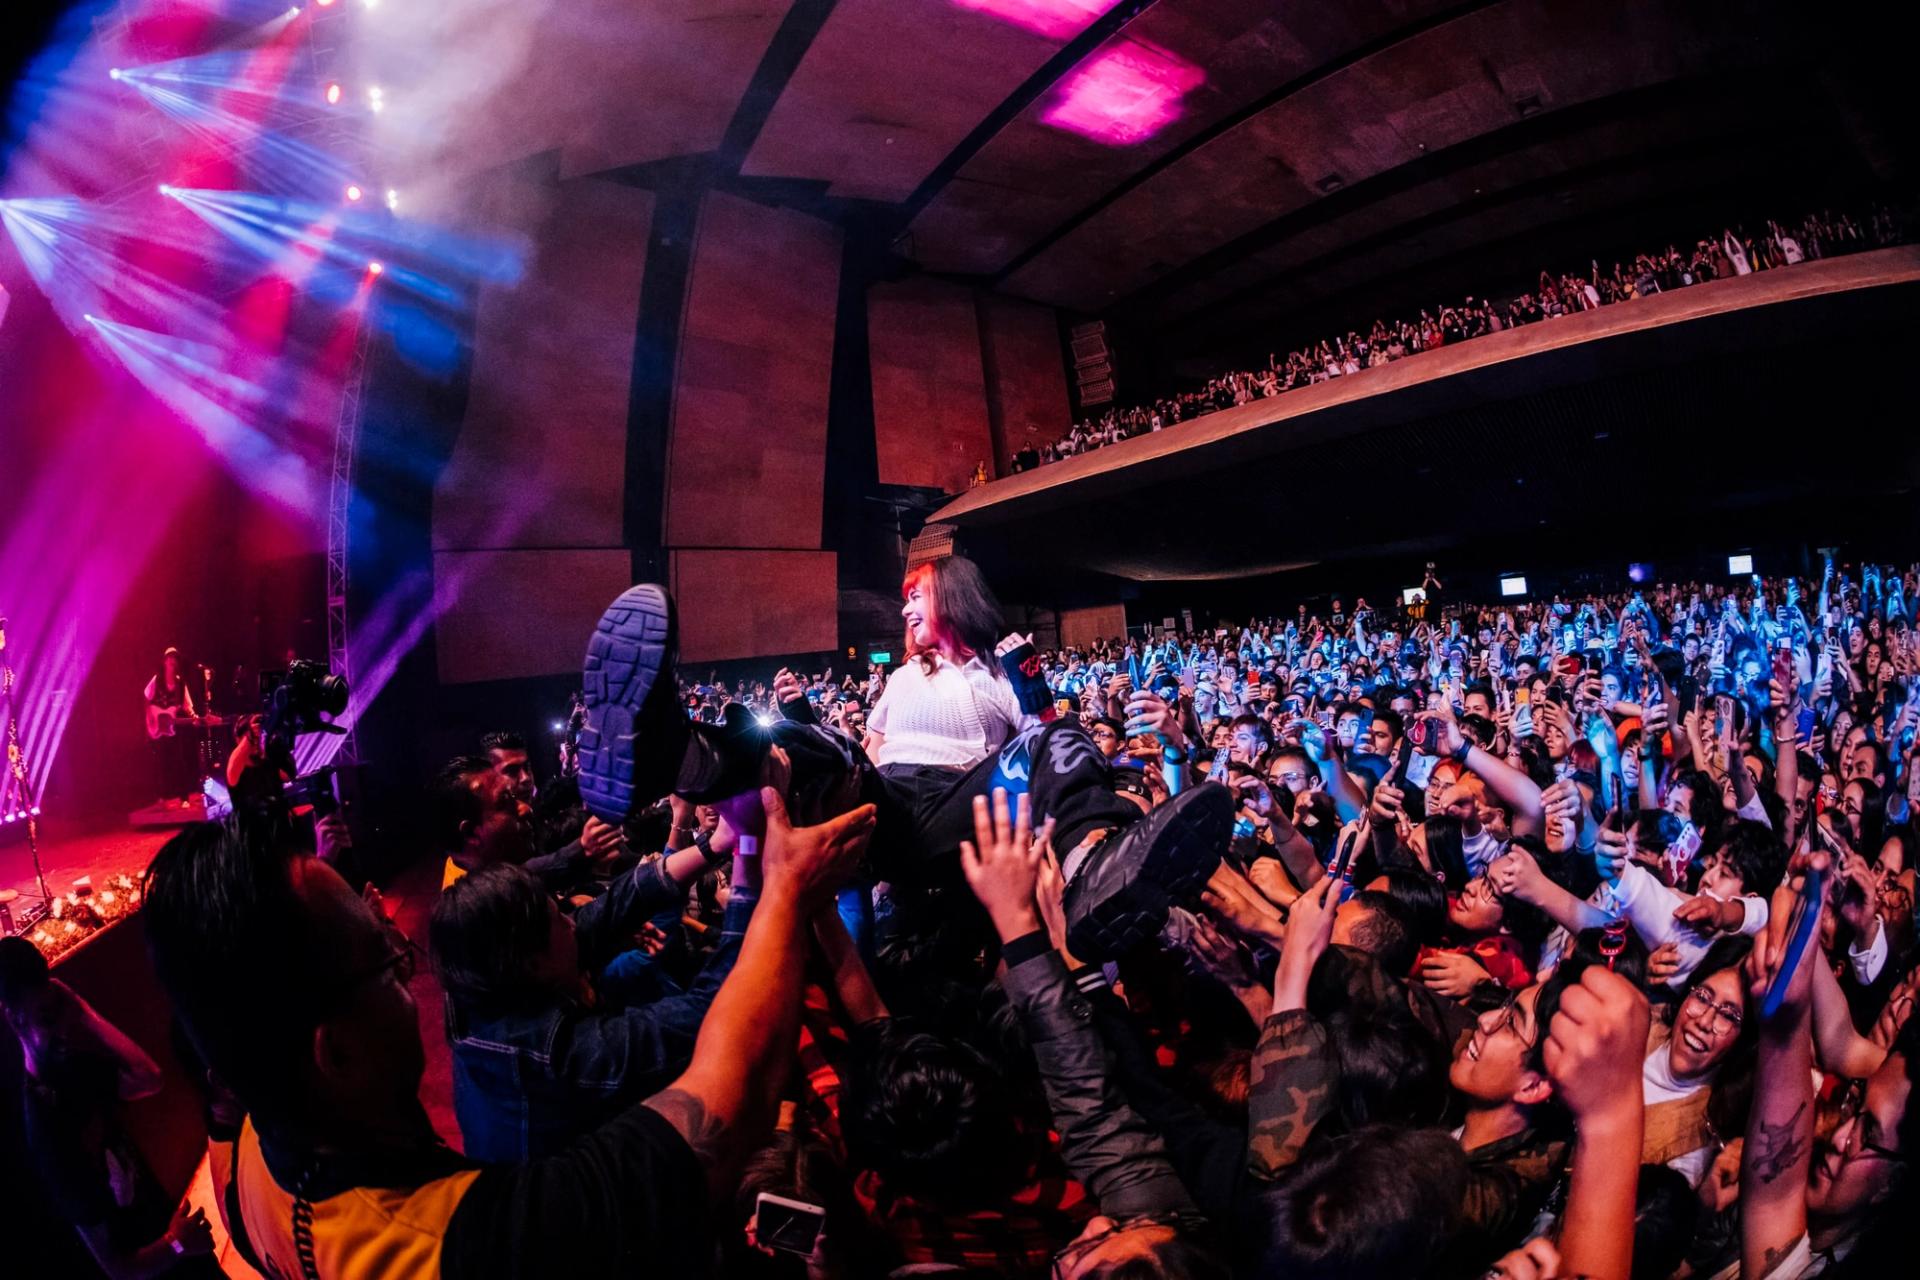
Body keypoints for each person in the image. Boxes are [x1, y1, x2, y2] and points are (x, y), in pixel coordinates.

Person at [140, 785, 877, 1279]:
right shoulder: (480, 1242)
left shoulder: (246, 1159)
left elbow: (599, 918)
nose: (408, 974)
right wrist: (776, 888)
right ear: (334, 1052)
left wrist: (715, 849)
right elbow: (733, 1086)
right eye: (386, 962)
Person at [0, 936, 219, 1277]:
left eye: (59, 1010)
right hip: (159, 1264)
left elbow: (149, 1077)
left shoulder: (73, 1065)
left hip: (175, 1245)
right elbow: (117, 1267)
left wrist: (80, 1009)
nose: (61, 1028)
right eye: (46, 1018)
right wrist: (176, 1243)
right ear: (15, 1021)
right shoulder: (46, 1128)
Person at [143, 647, 200, 808]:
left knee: (179, 761)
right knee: (161, 763)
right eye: (169, 658)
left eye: (175, 658)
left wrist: (194, 716)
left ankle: (184, 797)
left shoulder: (180, 683)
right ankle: (163, 797)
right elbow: (146, 698)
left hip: (172, 729)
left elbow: (187, 705)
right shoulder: (156, 680)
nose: (172, 661)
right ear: (164, 661)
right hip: (158, 729)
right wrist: (150, 719)